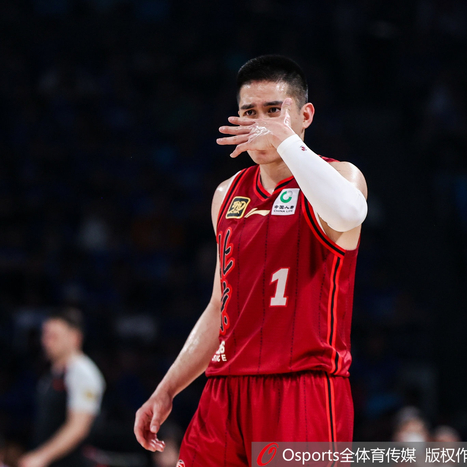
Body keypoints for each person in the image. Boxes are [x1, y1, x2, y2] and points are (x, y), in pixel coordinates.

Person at [133, 55, 368, 466]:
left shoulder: (342, 178)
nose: (261, 123)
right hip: (225, 390)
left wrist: (287, 143)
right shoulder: (226, 194)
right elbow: (219, 307)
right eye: (249, 112)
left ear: (305, 116)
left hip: (302, 388)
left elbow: (349, 213)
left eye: (274, 111)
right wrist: (167, 389)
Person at [19, 308, 105, 467]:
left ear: (75, 338)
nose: (46, 341)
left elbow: (79, 427)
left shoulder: (82, 372)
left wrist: (42, 456)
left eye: (54, 336)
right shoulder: (52, 373)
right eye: (45, 335)